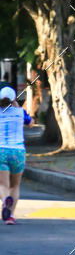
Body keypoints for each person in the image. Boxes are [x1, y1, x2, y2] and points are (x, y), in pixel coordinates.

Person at [0, 86, 32, 224]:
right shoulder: (21, 112)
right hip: (18, 151)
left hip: (1, 150)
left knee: (3, 185)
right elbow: (31, 123)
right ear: (14, 99)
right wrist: (16, 105)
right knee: (15, 186)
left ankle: (5, 201)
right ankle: (11, 216)